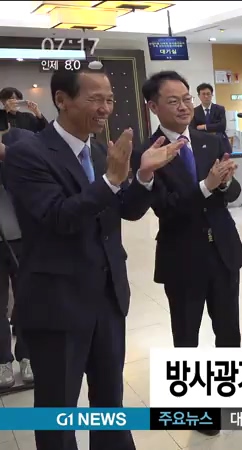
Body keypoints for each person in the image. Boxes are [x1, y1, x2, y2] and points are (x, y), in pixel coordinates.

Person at [2, 66, 182, 450]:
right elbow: (58, 217)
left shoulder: (100, 152)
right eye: (95, 99)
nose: (106, 108)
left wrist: (144, 175)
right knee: (58, 411)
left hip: (107, 298)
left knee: (109, 402)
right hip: (57, 304)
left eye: (110, 100)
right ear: (62, 100)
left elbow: (126, 210)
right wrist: (111, 180)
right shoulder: (27, 154)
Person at [136, 72, 242, 380]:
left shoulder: (210, 140)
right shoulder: (148, 153)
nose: (184, 107)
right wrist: (206, 186)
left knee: (229, 332)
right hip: (181, 256)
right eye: (173, 101)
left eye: (187, 99)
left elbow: (233, 193)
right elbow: (164, 208)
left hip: (222, 252)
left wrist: (224, 184)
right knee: (186, 337)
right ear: (153, 107)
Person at [0, 127, 34, 389]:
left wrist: (6, 155)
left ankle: (27, 355)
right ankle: (3, 361)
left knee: (26, 302)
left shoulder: (20, 140)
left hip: (22, 240)